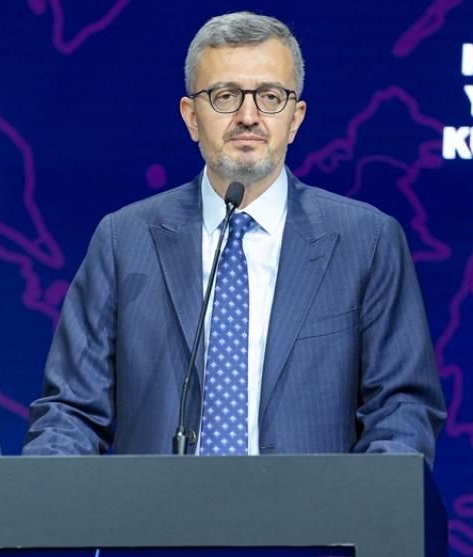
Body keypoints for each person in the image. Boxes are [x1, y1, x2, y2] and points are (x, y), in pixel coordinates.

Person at [23, 11, 445, 464]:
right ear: (191, 117)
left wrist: (369, 500)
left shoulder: (367, 242)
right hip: (159, 509)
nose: (248, 116)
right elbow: (70, 412)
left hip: (313, 510)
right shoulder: (124, 241)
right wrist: (43, 488)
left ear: (296, 118)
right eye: (225, 96)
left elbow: (401, 409)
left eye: (270, 97)